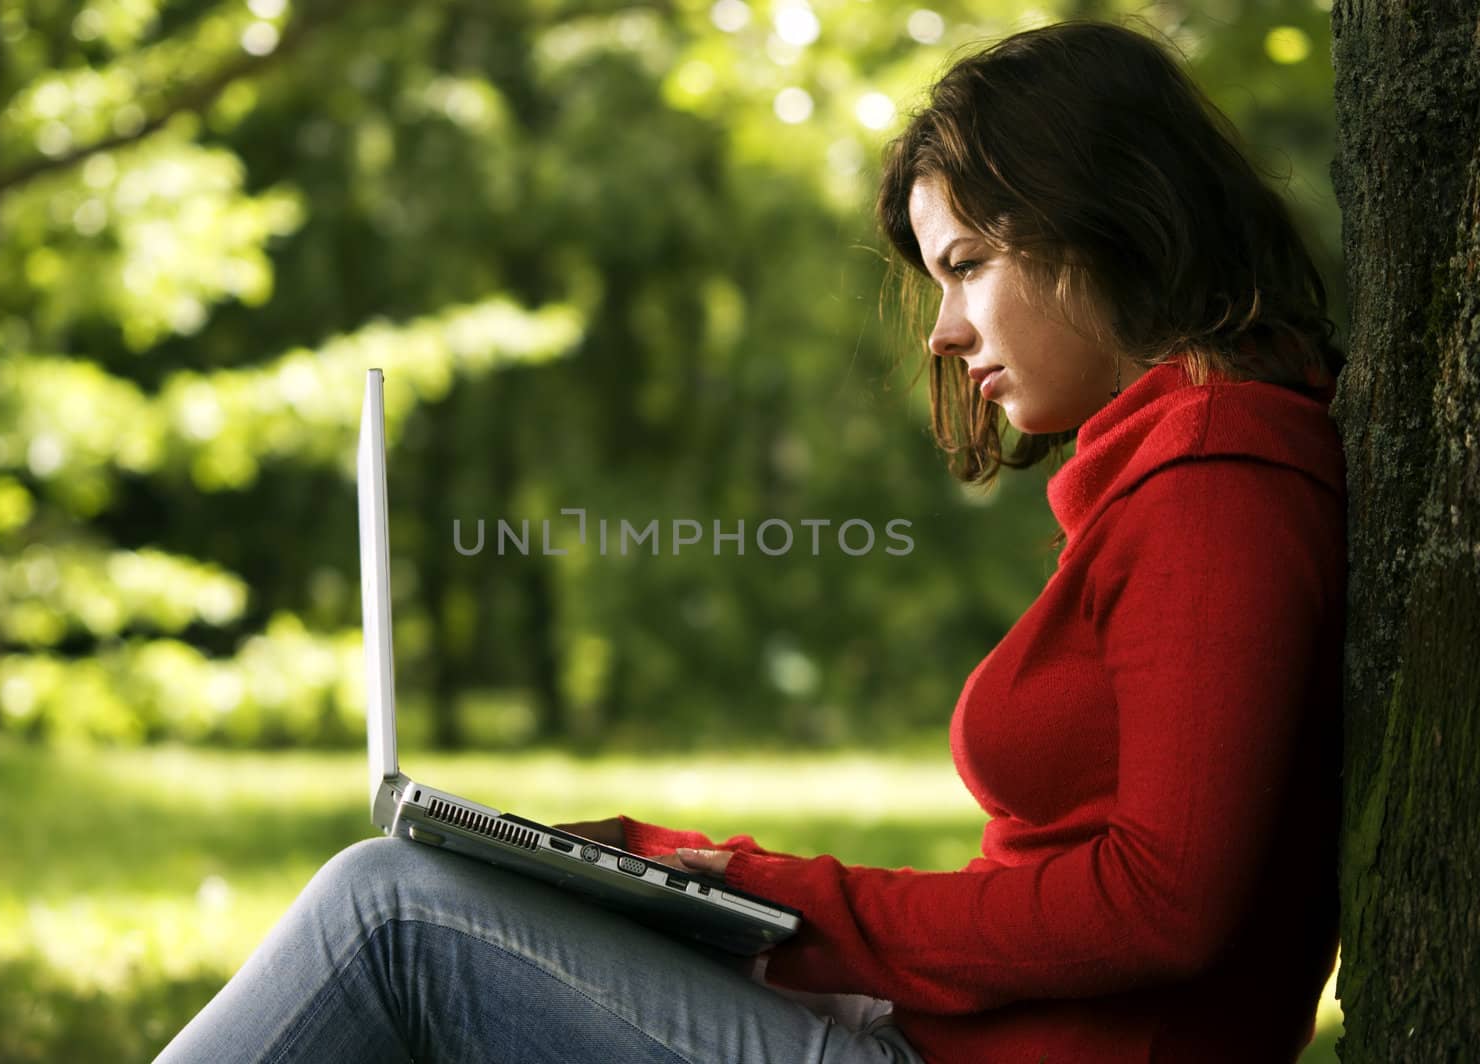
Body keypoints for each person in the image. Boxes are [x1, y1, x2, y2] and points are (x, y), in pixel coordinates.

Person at [156, 17, 1346, 1064]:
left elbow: (1165, 904)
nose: (942, 331)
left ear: (1108, 219)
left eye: (968, 265)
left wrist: (796, 904)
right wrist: (675, 873)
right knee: (423, 894)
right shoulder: (1166, 470)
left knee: (391, 912)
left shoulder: (1216, 474)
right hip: (945, 1040)